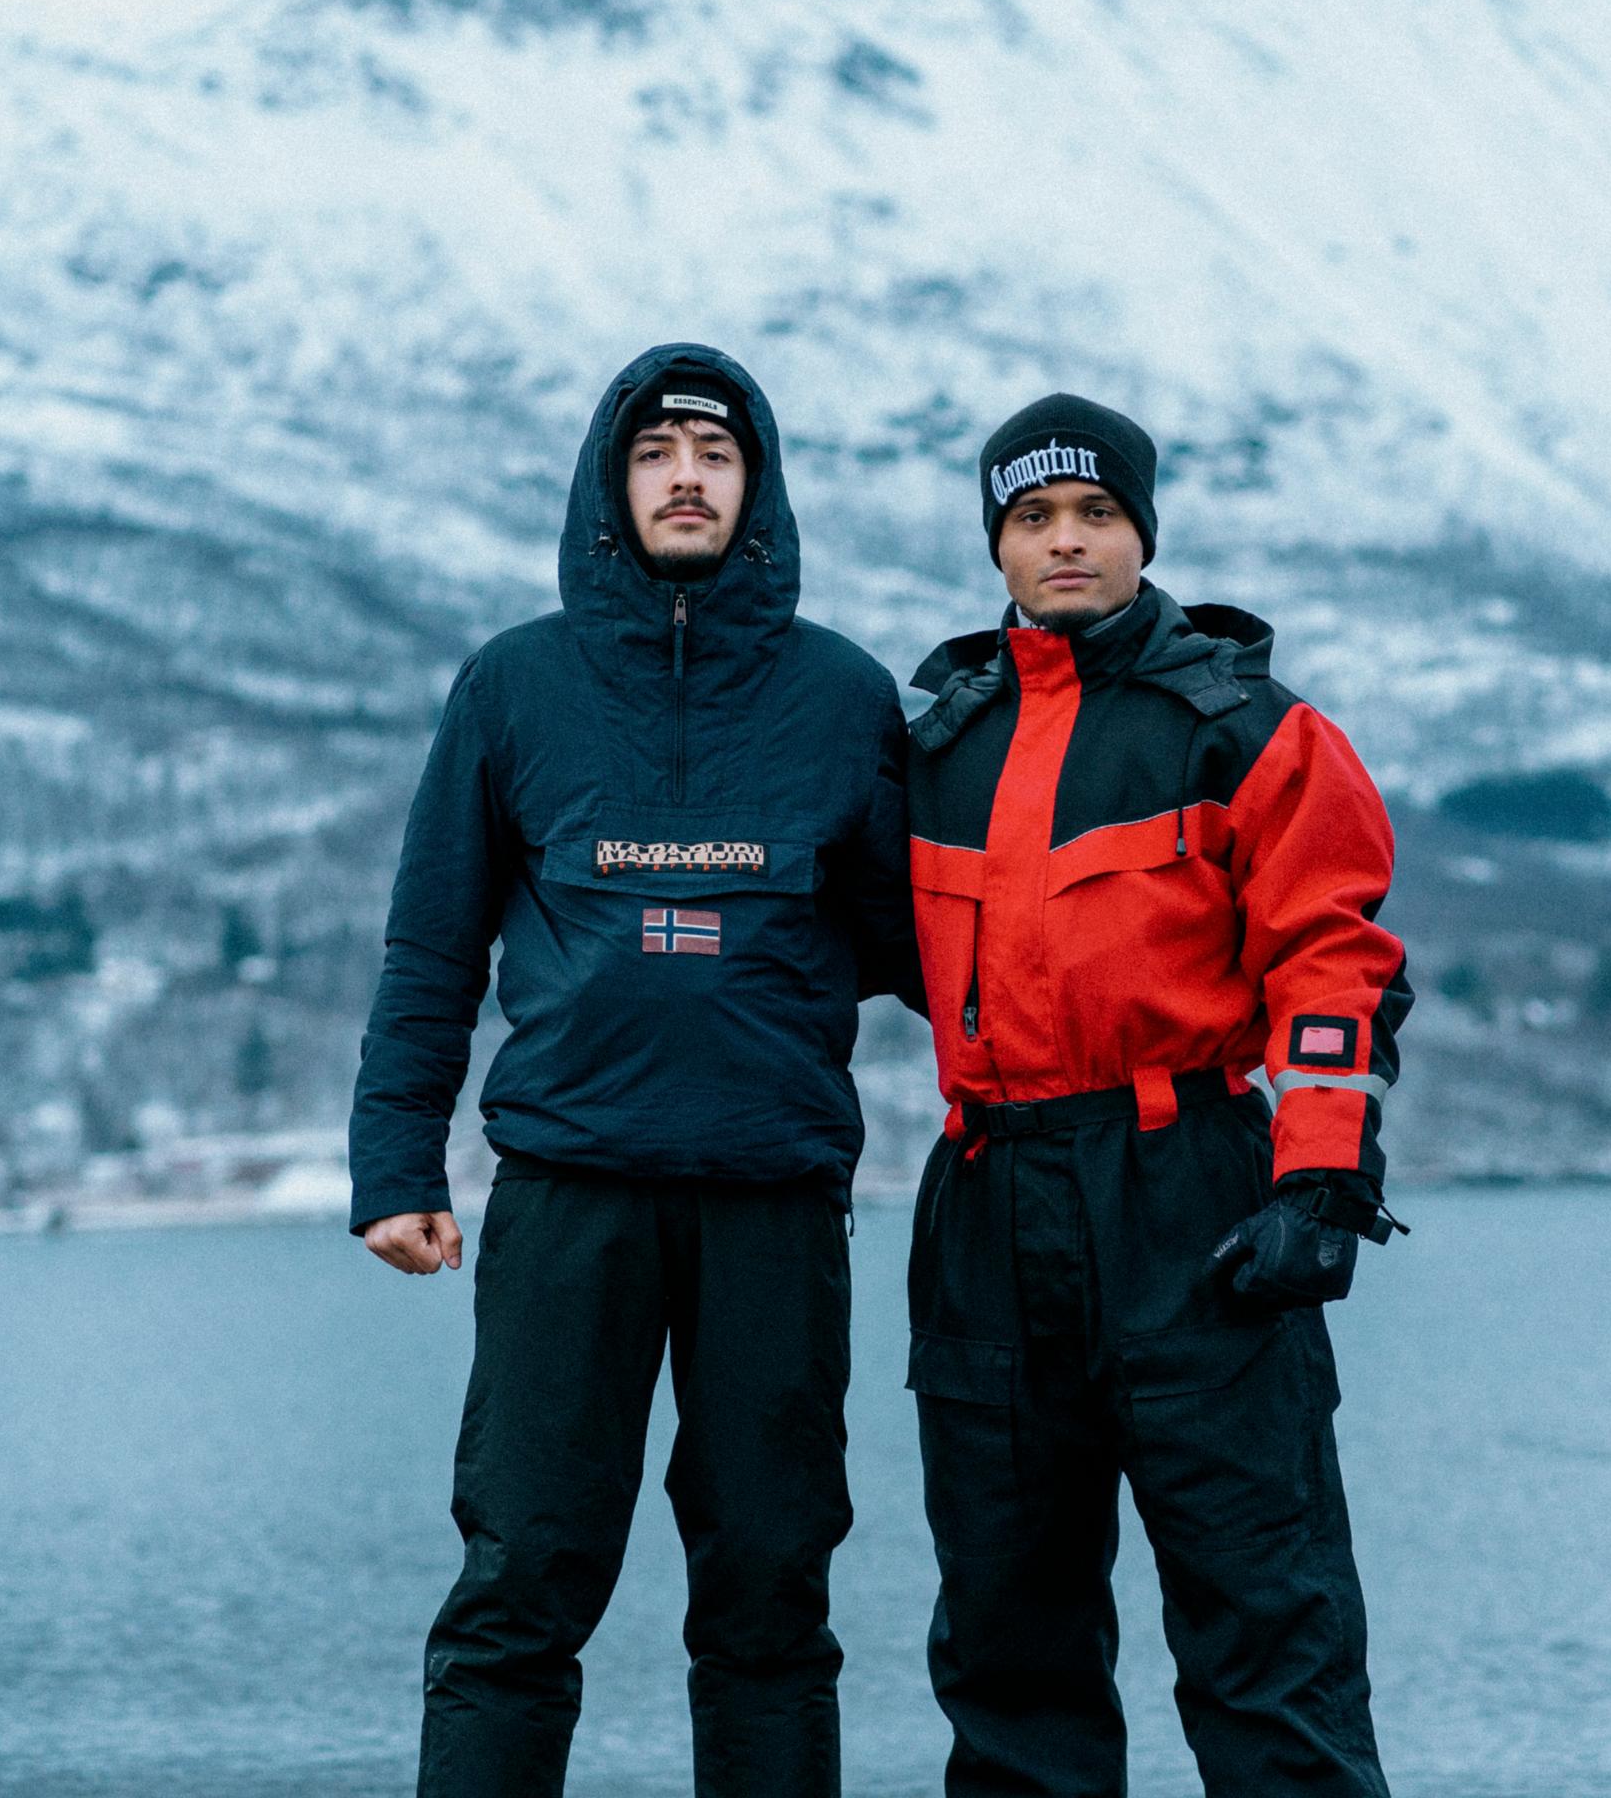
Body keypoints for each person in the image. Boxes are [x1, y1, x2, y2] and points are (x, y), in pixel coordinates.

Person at [347, 343, 916, 1798]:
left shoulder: (844, 698)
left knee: (773, 1593)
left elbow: (930, 949)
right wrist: (396, 1166)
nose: (685, 478)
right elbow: (433, 948)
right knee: (520, 1585)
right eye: (657, 454)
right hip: (568, 1196)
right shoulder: (514, 687)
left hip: (772, 1201)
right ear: (612, 487)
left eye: (715, 458)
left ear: (757, 491)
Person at [899, 393, 1415, 1797]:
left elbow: (1338, 963)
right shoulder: (936, 741)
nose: (1067, 541)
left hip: (1194, 1203)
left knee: (1270, 1640)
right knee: (1012, 1661)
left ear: (1142, 530)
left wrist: (1323, 1178)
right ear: (997, 546)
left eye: (1096, 512)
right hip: (989, 1211)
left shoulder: (1247, 730)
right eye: (1032, 518)